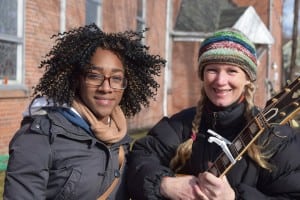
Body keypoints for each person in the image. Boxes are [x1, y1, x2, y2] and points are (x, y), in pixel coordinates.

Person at [126, 28, 300, 199]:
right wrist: (163, 184)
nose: (220, 81)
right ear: (202, 75)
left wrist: (234, 198)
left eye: (232, 71)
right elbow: (139, 159)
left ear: (248, 78)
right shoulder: (181, 125)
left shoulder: (278, 139)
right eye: (212, 70)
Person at [4, 23, 165, 200]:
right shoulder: (41, 134)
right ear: (77, 79)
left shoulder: (120, 137)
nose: (106, 88)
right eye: (94, 76)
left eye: (117, 78)